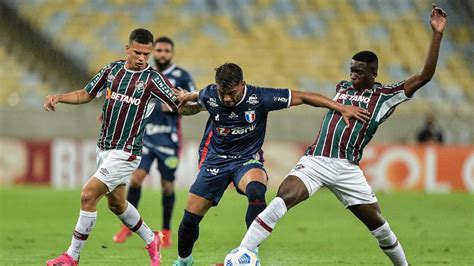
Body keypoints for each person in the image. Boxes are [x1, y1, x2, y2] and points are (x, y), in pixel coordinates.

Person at [238, 5, 447, 266]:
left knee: (379, 227)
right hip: (316, 160)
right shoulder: (342, 87)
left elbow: (425, 75)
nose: (352, 76)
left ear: (373, 74)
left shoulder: (385, 97)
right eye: (351, 70)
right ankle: (240, 255)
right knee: (282, 198)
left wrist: (437, 34)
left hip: (347, 168)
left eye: (359, 72)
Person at [171, 62, 371, 265]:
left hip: (247, 159)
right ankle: (184, 260)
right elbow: (196, 102)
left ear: (242, 84)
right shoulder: (211, 94)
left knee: (257, 191)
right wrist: (184, 101)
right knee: (190, 219)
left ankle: (250, 253)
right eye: (223, 93)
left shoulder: (261, 97)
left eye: (232, 93)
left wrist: (341, 108)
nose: (227, 98)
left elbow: (303, 96)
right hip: (216, 160)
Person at [44, 28, 181, 266]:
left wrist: (198, 101)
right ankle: (152, 239)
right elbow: (87, 93)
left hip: (127, 151)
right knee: (117, 204)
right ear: (127, 48)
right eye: (137, 52)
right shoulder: (112, 70)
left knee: (88, 195)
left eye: (145, 55)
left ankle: (72, 256)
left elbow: (179, 104)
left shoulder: (153, 79)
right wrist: (60, 97)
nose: (141, 58)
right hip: (104, 148)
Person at [113, 36, 196, 248]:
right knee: (137, 178)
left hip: (169, 140)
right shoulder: (144, 74)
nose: (162, 54)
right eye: (158, 50)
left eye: (166, 51)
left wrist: (178, 104)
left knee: (167, 187)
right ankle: (128, 227)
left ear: (172, 54)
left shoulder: (182, 76)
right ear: (153, 52)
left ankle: (166, 230)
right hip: (145, 137)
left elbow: (194, 101)